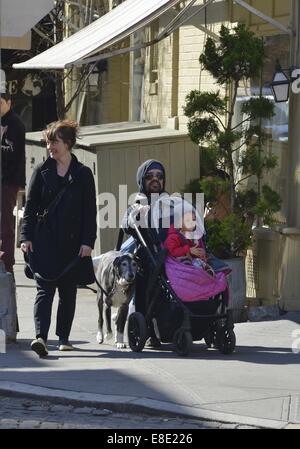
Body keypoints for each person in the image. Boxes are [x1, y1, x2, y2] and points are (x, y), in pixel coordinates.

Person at [20, 120, 97, 357]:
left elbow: (89, 211)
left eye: (55, 141)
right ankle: (41, 337)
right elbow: (30, 207)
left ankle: (63, 337)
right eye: (48, 141)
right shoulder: (41, 171)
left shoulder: (83, 174)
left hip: (73, 244)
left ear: (68, 144)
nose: (50, 146)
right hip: (44, 241)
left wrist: (88, 241)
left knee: (68, 292)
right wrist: (26, 237)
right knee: (44, 290)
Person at [121, 159, 167, 347]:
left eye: (159, 176)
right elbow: (126, 223)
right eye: (149, 176)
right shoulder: (137, 203)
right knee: (145, 276)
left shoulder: (169, 201)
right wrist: (136, 216)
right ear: (142, 180)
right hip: (148, 255)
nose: (155, 180)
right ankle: (147, 330)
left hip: (171, 253)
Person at [1, 92, 25, 274]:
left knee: (5, 223)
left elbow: (13, 153)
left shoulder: (15, 123)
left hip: (7, 181)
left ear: (9, 102)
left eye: (0, 103)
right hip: (4, 180)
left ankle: (6, 264)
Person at [164, 205, 214, 275]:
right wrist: (189, 250)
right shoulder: (173, 237)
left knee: (200, 260)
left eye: (194, 220)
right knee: (187, 262)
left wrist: (199, 252)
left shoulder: (190, 235)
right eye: (188, 220)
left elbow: (192, 248)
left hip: (191, 258)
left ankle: (206, 270)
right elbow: (173, 251)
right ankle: (200, 271)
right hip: (178, 261)